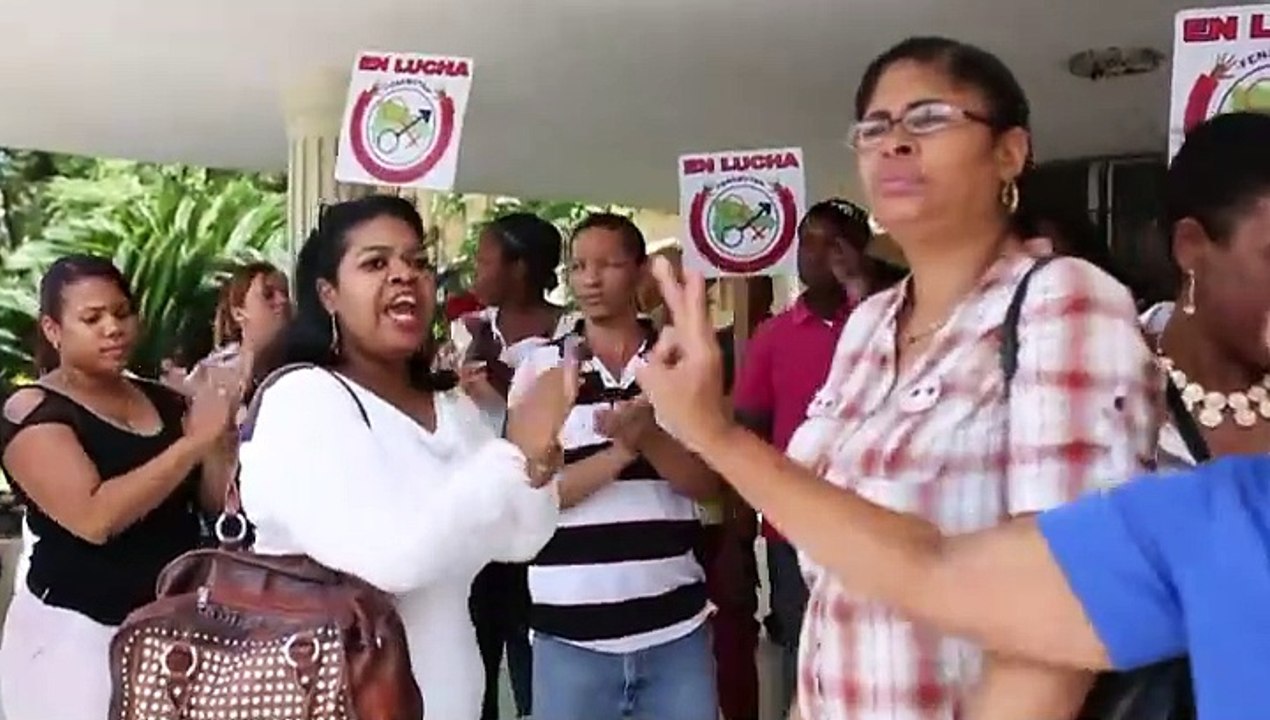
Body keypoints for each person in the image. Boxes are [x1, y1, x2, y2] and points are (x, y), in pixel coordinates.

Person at [633, 110, 1270, 720]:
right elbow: (936, 578)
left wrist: (713, 438)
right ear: (1191, 246)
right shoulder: (892, 339)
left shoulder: (1083, 351)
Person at [672, 36, 1160, 720]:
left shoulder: (1064, 300)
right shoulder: (870, 324)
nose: (893, 143)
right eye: (874, 128)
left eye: (929, 119)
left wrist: (714, 434)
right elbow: (837, 587)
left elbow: (1065, 612)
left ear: (1009, 153)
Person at [236, 195, 574, 720]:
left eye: (417, 262)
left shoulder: (449, 404)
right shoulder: (304, 399)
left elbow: (519, 538)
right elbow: (391, 558)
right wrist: (510, 454)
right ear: (328, 294)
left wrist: (537, 459)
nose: (404, 276)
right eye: (375, 263)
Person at [0, 254, 236, 720]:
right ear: (53, 329)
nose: (113, 327)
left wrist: (219, 438)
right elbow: (94, 519)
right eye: (92, 318)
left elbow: (210, 503)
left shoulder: (164, 400)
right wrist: (193, 443)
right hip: (74, 638)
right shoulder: (32, 408)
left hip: (172, 630)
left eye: (122, 313)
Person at [511, 212, 720, 720]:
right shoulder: (542, 368)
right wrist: (622, 453)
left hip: (676, 633)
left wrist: (649, 436)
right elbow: (527, 495)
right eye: (579, 265)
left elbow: (710, 485)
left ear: (642, 271)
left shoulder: (679, 361)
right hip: (569, 639)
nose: (590, 278)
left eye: (608, 264)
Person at [730, 198, 867, 713]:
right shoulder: (773, 336)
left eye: (836, 241)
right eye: (809, 240)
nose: (820, 254)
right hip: (793, 531)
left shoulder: (891, 319)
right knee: (801, 653)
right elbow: (749, 433)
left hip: (882, 519)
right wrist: (740, 537)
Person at [455, 211, 570, 720]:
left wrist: (501, 392)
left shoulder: (570, 334)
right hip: (477, 524)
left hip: (543, 521)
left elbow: (562, 422)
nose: (475, 273)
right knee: (473, 661)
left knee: (534, 660)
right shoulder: (465, 333)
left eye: (484, 261)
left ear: (520, 269)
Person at [189, 261, 291, 389]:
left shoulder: (305, 366)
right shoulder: (211, 374)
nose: (283, 300)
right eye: (268, 295)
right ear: (238, 313)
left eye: (286, 293)